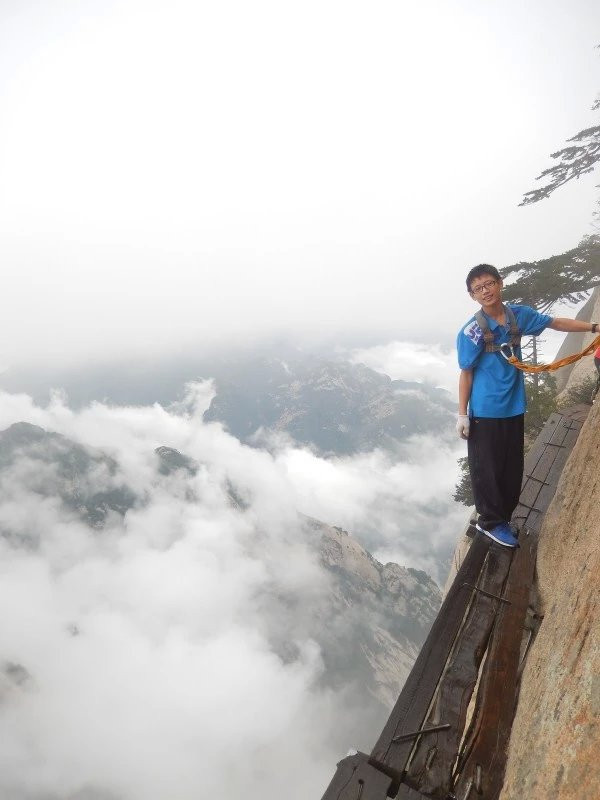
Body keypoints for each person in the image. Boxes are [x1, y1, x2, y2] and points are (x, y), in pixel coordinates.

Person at [456, 264, 599, 547]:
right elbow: (466, 372)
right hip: (485, 411)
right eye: (478, 289)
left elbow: (554, 323)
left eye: (489, 284)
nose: (485, 291)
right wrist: (462, 414)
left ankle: (503, 520)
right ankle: (489, 523)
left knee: (511, 467)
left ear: (500, 284)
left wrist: (593, 327)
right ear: (472, 296)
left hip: (513, 406)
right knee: (487, 468)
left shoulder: (517, 316)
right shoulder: (472, 331)